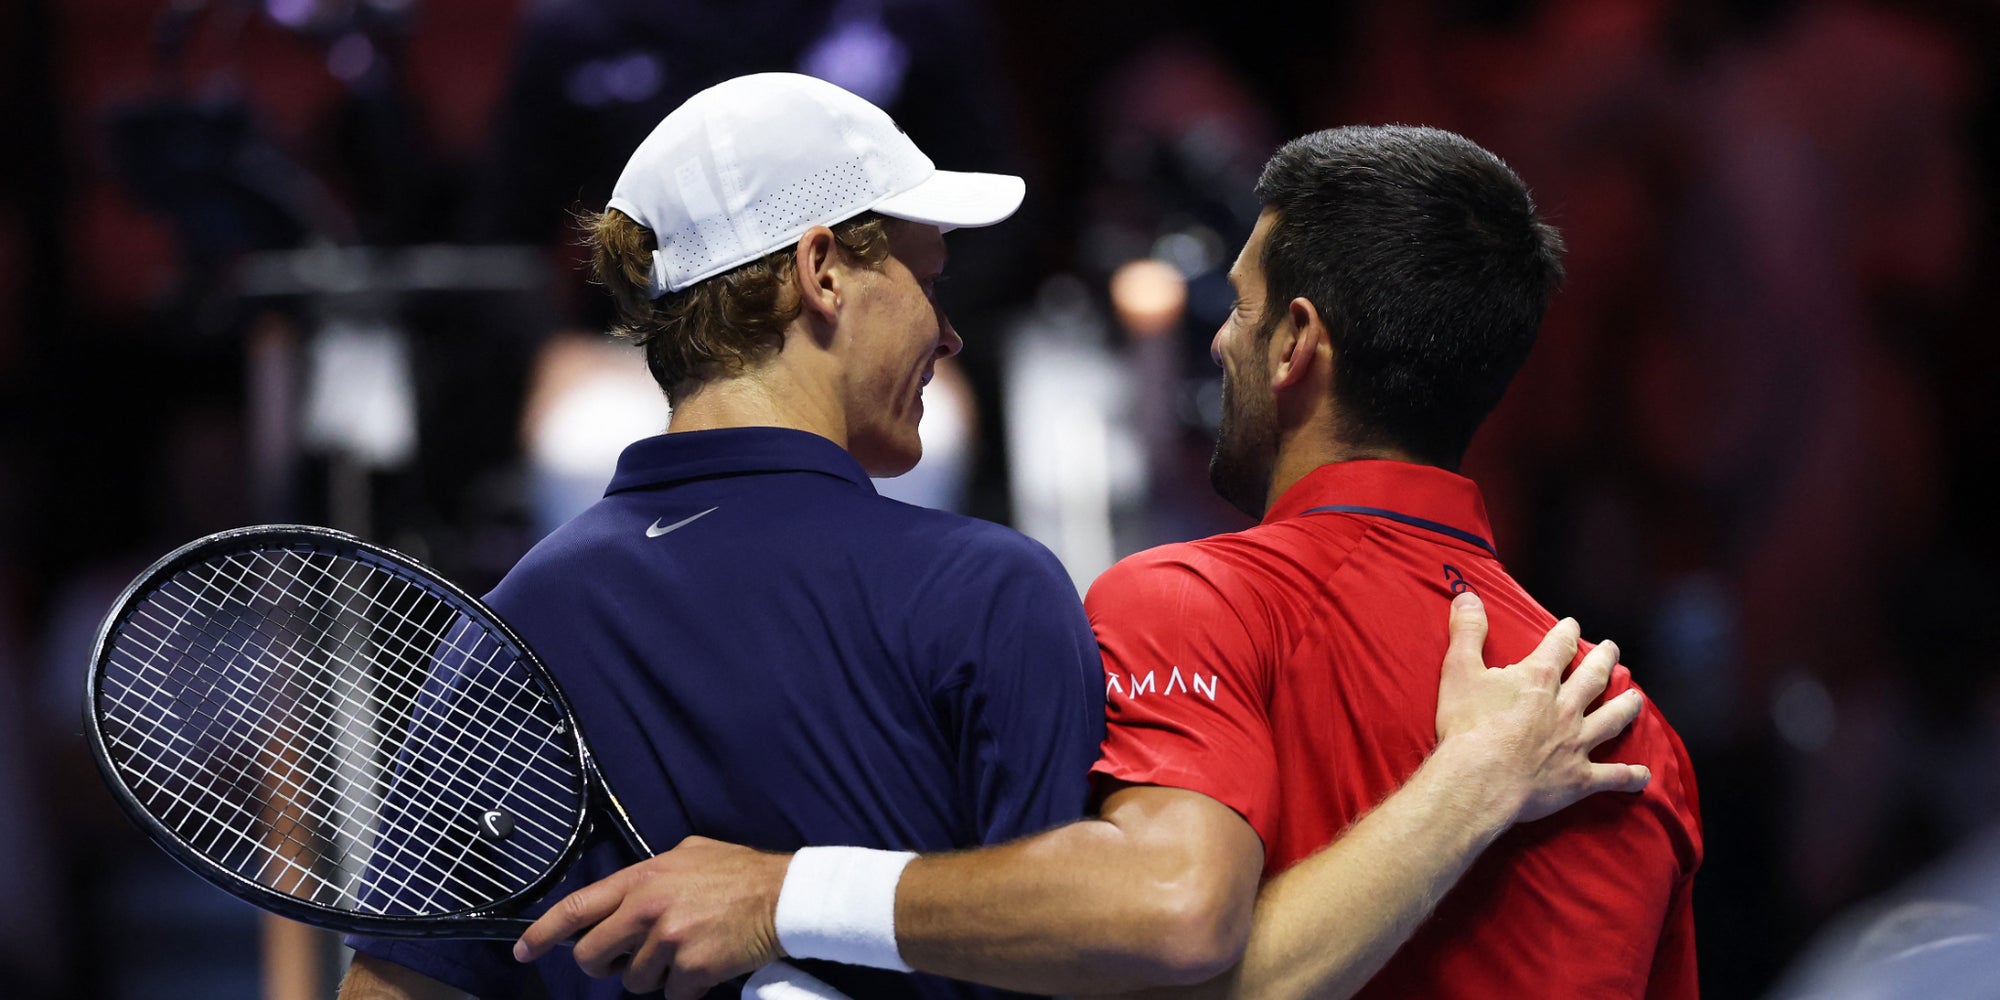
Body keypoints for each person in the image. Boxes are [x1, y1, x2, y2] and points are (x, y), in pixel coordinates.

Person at [514, 124, 1700, 1000]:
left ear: (1295, 346)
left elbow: (1173, 936)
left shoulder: (1185, 603)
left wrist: (783, 900)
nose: (1217, 340)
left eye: (1234, 309)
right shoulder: (1629, 733)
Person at [340, 72, 1105, 1000]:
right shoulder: (990, 590)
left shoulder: (513, 622)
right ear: (821, 270)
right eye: (928, 281)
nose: (946, 335)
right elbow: (1083, 958)